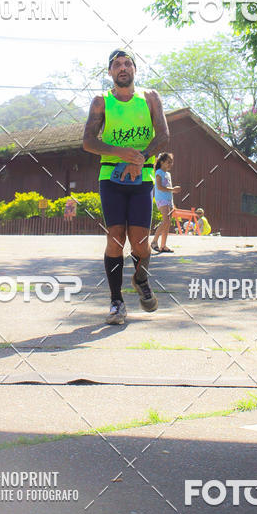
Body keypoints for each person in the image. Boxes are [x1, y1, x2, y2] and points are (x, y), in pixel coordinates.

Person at [83, 49, 169, 325]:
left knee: (141, 243)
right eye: (117, 64)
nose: (123, 68)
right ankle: (116, 302)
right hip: (111, 178)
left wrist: (139, 158)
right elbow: (88, 141)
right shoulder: (101, 102)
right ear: (110, 72)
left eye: (128, 63)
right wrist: (122, 153)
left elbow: (164, 135)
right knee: (115, 238)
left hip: (142, 177)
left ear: (134, 70)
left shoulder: (151, 98)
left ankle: (141, 276)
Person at [151, 152, 180, 253]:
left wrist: (172, 195)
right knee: (165, 221)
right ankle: (154, 242)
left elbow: (168, 188)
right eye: (168, 162)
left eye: (171, 162)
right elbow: (159, 187)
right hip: (161, 199)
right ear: (162, 162)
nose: (170, 164)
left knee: (167, 224)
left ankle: (163, 245)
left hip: (168, 200)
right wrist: (173, 189)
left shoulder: (168, 174)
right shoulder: (159, 172)